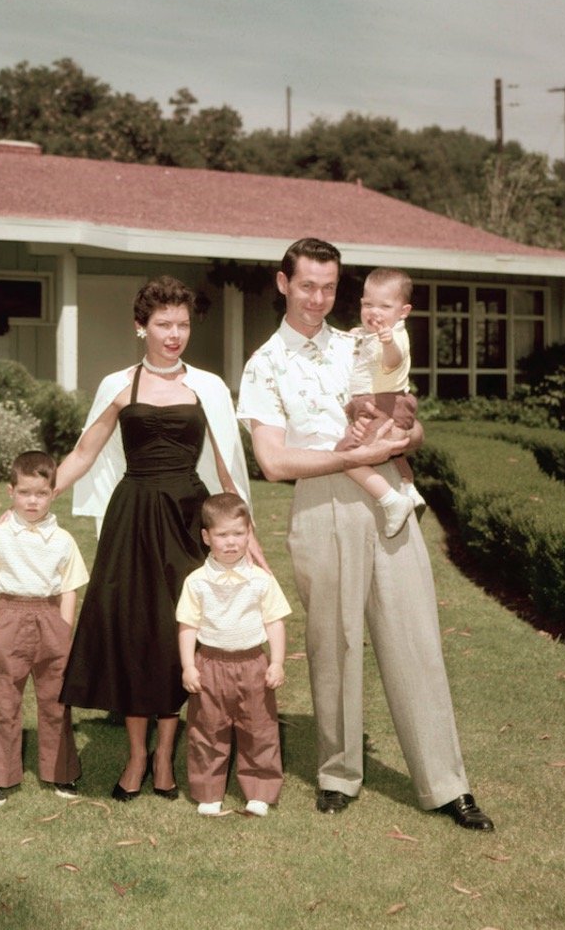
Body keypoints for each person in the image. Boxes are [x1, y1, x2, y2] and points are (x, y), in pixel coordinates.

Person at [237, 237, 493, 831]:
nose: (319, 299)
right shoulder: (264, 364)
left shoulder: (365, 342)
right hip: (321, 508)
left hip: (388, 501)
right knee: (334, 644)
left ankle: (446, 783)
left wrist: (403, 438)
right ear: (283, 284)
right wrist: (356, 455)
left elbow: (411, 421)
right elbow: (275, 463)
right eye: (307, 286)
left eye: (330, 287)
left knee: (416, 638)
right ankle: (337, 773)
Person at [54, 276, 257, 802]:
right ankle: (137, 753)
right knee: (134, 631)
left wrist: (248, 538)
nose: (174, 334)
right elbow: (84, 453)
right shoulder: (119, 385)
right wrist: (38, 492)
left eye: (183, 324)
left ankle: (167, 755)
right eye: (163, 324)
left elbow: (226, 470)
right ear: (140, 326)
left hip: (186, 517)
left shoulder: (207, 387)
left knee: (179, 629)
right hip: (133, 515)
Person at [0, 450, 90, 806]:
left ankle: (61, 772)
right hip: (10, 616)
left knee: (55, 699)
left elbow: (70, 586)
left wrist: (64, 626)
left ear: (53, 492)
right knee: (2, 699)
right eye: (24, 493)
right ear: (11, 492)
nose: (32, 501)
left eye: (40, 493)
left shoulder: (63, 540)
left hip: (51, 618)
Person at [175, 492, 289, 818]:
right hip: (209, 664)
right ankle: (209, 792)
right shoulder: (196, 582)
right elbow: (187, 625)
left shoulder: (260, 580)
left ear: (248, 533)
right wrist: (188, 666)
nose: (231, 542)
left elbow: (274, 621)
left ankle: (260, 789)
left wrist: (277, 661)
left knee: (259, 730)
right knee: (207, 731)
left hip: (253, 663)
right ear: (206, 537)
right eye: (222, 535)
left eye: (239, 533)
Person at [335, 267, 424, 537]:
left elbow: (392, 360)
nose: (374, 311)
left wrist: (386, 342)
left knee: (347, 455)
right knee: (390, 448)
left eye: (385, 306)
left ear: (404, 311)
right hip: (383, 400)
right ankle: (410, 490)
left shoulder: (394, 337)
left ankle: (392, 501)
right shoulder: (370, 332)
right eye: (368, 304)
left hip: (385, 402)